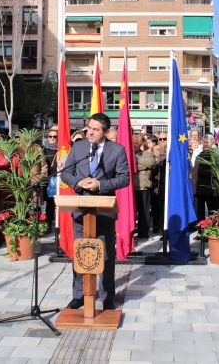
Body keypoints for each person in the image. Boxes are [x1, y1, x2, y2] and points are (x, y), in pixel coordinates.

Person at [61, 113, 130, 311]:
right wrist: (77, 182)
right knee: (80, 252)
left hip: (104, 210)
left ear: (106, 132)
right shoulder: (79, 146)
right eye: (88, 128)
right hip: (81, 209)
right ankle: (79, 295)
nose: (90, 132)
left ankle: (108, 296)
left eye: (95, 129)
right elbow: (66, 172)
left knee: (106, 255)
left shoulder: (117, 150)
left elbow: (124, 178)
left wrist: (100, 184)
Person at [191, 135, 219, 221]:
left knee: (213, 212)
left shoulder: (216, 155)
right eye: (204, 142)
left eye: (207, 142)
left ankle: (212, 230)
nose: (205, 144)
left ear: (212, 142)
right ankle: (201, 230)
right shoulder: (199, 155)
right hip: (199, 189)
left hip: (211, 189)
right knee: (200, 213)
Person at [133, 134, 155, 238]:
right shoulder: (129, 153)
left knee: (144, 211)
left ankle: (143, 232)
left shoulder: (147, 153)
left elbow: (150, 163)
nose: (134, 145)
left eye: (136, 143)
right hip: (131, 187)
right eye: (132, 143)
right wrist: (139, 165)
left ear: (141, 144)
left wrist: (135, 163)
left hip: (143, 186)